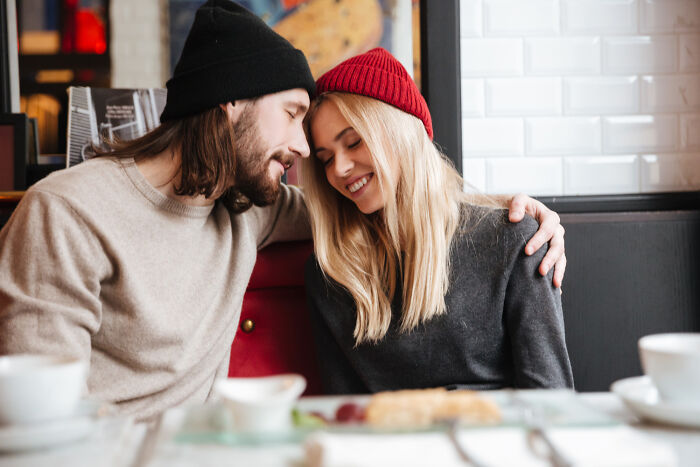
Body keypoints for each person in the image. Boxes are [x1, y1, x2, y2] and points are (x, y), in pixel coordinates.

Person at [0, 1, 565, 421]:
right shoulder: (66, 212)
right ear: (230, 103)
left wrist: (520, 214)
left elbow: (398, 195)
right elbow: (36, 417)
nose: (307, 153)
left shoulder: (244, 208)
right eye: (294, 115)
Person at [300, 48, 574, 394]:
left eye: (354, 142)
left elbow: (551, 400)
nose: (338, 169)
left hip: (498, 442)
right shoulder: (330, 272)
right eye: (325, 159)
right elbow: (344, 413)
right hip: (385, 445)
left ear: (402, 134)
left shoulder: (515, 240)